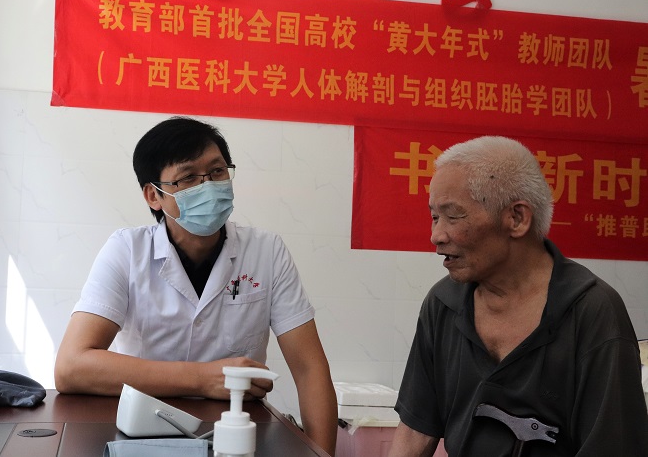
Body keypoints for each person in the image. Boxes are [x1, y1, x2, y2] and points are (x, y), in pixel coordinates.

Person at [55, 116, 338, 455]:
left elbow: (309, 370)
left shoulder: (267, 251)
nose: (208, 186)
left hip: (237, 433)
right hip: (140, 434)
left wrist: (323, 455)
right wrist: (203, 379)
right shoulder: (127, 250)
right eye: (188, 177)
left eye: (217, 172)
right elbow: (71, 367)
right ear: (153, 195)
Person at [389, 136, 648, 457]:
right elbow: (415, 433)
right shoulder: (443, 303)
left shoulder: (591, 311)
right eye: (434, 217)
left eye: (453, 216)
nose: (436, 235)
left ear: (517, 218)